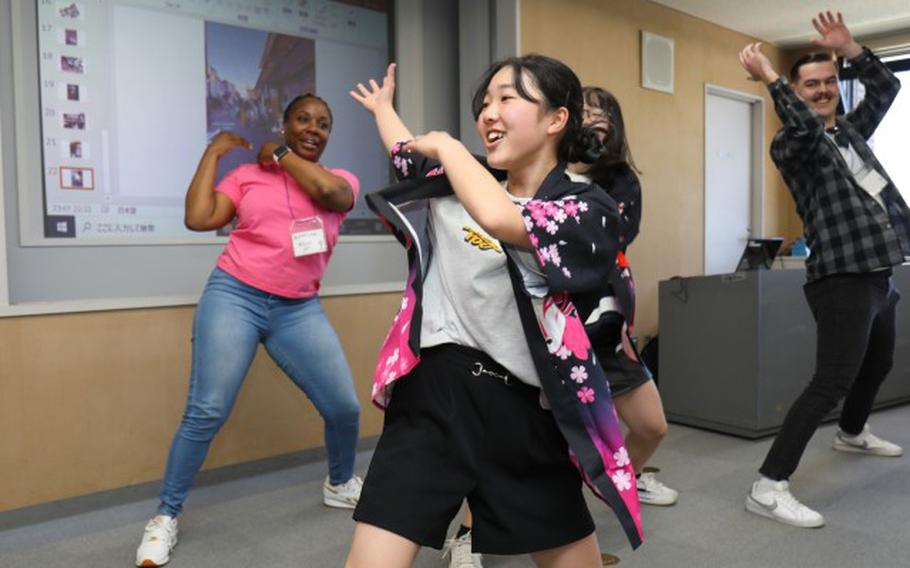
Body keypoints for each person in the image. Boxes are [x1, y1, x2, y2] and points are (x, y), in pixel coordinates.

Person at [346, 56, 643, 568]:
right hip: (436, 395)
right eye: (484, 103)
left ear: (556, 119)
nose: (488, 113)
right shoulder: (452, 182)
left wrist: (448, 146)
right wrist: (383, 110)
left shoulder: (587, 210)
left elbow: (501, 216)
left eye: (507, 98)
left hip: (527, 409)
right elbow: (408, 153)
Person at [135, 94, 363, 567]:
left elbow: (331, 198)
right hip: (234, 296)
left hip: (298, 308)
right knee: (207, 409)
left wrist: (280, 155)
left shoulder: (340, 180)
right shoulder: (248, 178)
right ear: (284, 124)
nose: (313, 129)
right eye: (303, 119)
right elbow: (199, 218)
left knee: (343, 406)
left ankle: (340, 484)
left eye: (323, 124)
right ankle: (165, 517)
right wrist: (214, 154)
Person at [738, 11, 909, 529]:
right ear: (793, 92)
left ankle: (852, 432)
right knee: (830, 381)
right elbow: (806, 125)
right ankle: (767, 485)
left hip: (879, 271)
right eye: (810, 85)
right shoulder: (793, 144)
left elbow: (886, 87)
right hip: (841, 278)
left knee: (877, 363)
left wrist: (850, 46)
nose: (823, 91)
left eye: (830, 82)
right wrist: (770, 78)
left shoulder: (851, 133)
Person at [569, 86, 677, 507]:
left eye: (602, 114)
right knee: (529, 440)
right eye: (583, 111)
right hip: (554, 325)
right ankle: (470, 533)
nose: (593, 119)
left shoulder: (620, 179)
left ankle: (620, 481)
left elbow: (613, 235)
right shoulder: (542, 172)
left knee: (652, 426)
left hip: (609, 325)